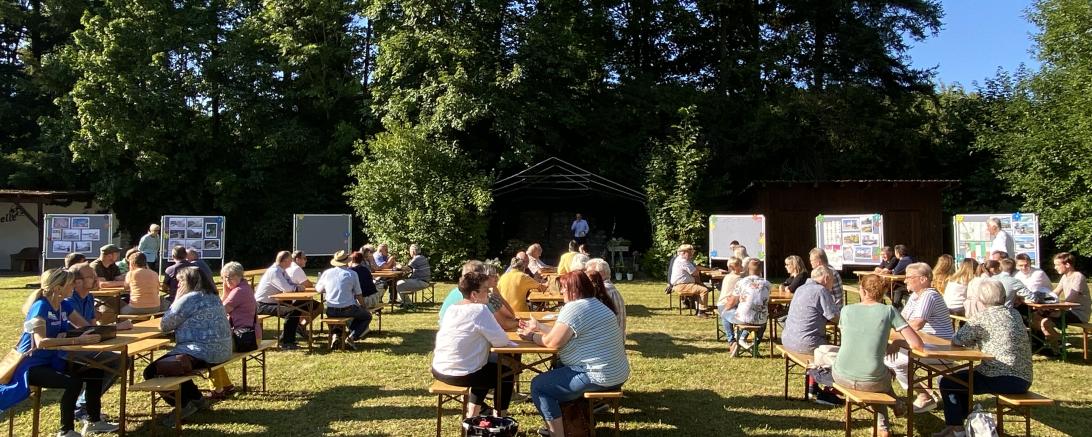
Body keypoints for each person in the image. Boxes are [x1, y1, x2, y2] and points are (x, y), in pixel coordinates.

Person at [5, 269, 118, 436]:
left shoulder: (64, 304)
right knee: (74, 382)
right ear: (58, 288)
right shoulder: (41, 307)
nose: (74, 286)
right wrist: (76, 341)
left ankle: (94, 421)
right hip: (31, 365)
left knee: (97, 371)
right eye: (71, 284)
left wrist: (109, 330)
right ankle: (66, 431)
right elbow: (41, 342)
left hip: (53, 360)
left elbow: (84, 326)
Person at [520, 271, 628, 437]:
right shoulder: (597, 304)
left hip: (598, 375)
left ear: (574, 290)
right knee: (559, 367)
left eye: (563, 288)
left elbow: (553, 342)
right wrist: (540, 327)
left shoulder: (574, 308)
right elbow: (566, 334)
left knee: (540, 386)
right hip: (617, 372)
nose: (561, 292)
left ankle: (557, 433)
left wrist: (531, 336)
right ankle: (573, 422)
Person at [934, 278, 1032, 437]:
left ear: (980, 298)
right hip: (1023, 379)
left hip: (999, 377)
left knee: (949, 381)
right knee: (961, 379)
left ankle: (957, 429)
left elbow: (957, 339)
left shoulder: (982, 317)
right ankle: (960, 425)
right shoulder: (1014, 313)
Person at [835, 275, 924, 437]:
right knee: (879, 376)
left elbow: (855, 340)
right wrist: (897, 343)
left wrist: (888, 344)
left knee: (876, 374)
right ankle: (895, 407)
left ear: (861, 290)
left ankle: (884, 426)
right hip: (872, 378)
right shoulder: (888, 311)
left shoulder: (846, 310)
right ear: (882, 292)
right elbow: (917, 344)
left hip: (841, 374)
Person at [143, 267, 232, 420]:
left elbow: (164, 326)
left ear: (188, 282)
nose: (178, 286)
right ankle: (197, 399)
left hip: (201, 351)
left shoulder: (188, 299)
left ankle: (183, 405)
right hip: (223, 350)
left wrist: (177, 299)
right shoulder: (213, 296)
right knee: (179, 364)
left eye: (180, 282)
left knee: (152, 371)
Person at [431, 271, 516, 419]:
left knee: (485, 366)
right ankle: (500, 417)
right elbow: (501, 341)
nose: (488, 293)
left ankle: (473, 413)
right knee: (506, 372)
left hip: (439, 369)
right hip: (461, 373)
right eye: (485, 290)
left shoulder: (452, 308)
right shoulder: (479, 310)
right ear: (474, 295)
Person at [884, 262, 955, 413]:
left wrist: (891, 333)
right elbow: (900, 321)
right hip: (925, 344)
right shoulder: (916, 296)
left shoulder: (929, 295)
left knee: (893, 360)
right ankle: (924, 394)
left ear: (923, 279)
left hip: (940, 348)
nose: (904, 281)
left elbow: (916, 324)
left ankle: (924, 396)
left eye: (909, 277)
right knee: (890, 357)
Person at [208, 261, 259, 399]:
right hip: (250, 334)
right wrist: (226, 289)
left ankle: (217, 390)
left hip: (245, 338)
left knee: (211, 350)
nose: (226, 281)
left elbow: (221, 311)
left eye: (228, 277)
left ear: (238, 276)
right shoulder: (244, 287)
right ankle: (226, 385)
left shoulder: (238, 292)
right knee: (214, 347)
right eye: (224, 278)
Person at [255, 251, 315, 350]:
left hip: (272, 302)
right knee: (292, 311)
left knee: (297, 308)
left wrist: (297, 287)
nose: (292, 262)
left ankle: (288, 339)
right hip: (261, 305)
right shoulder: (274, 272)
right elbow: (287, 288)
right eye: (291, 260)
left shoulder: (281, 270)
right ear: (285, 261)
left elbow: (291, 284)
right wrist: (299, 288)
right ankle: (286, 342)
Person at [1035, 252, 1090, 356]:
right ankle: (1056, 346)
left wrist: (1052, 307)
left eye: (1057, 265)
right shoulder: (1065, 277)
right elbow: (1055, 293)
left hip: (1078, 313)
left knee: (1045, 322)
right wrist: (1041, 298)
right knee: (1037, 316)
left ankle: (1059, 345)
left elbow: (1071, 300)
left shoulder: (1078, 277)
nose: (1055, 267)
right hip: (1067, 310)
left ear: (1067, 265)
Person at [318, 251, 371, 349]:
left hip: (330, 309)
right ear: (347, 262)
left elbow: (319, 289)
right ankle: (352, 336)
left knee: (338, 317)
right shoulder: (352, 274)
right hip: (348, 309)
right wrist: (364, 306)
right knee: (366, 316)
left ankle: (336, 335)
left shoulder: (327, 273)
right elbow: (358, 294)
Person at [781, 265, 838, 355]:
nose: (833, 284)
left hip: (787, 339)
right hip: (807, 344)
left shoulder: (800, 289)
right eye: (833, 280)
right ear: (827, 278)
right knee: (840, 352)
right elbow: (834, 317)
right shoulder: (821, 290)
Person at [723, 260, 771, 356]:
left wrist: (725, 309)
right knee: (757, 318)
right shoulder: (767, 284)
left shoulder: (742, 282)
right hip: (761, 320)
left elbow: (732, 301)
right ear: (761, 270)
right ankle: (753, 344)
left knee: (725, 314)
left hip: (743, 318)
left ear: (748, 269)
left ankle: (732, 341)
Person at [584, 258, 627, 335]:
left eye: (588, 272)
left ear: (597, 274)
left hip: (607, 340)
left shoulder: (603, 290)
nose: (585, 275)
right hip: (616, 339)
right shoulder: (610, 288)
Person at [669, 244, 711, 319]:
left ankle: (699, 309)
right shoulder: (683, 261)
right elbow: (695, 273)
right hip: (682, 285)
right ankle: (701, 312)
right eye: (690, 252)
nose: (692, 254)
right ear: (684, 253)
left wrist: (710, 270)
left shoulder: (682, 259)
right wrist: (701, 284)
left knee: (700, 289)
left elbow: (696, 267)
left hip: (682, 284)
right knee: (704, 290)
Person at [884, 245, 914, 309]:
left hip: (909, 284)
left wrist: (891, 271)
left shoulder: (904, 260)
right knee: (888, 289)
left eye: (895, 252)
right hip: (905, 282)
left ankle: (896, 308)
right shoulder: (907, 258)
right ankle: (898, 307)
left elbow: (895, 272)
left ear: (897, 253)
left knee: (897, 290)